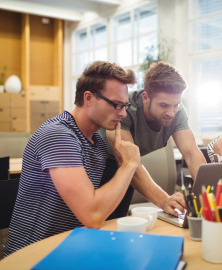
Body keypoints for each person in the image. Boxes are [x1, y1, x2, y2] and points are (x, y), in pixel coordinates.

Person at [4, 61, 140, 256]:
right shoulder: (58, 135)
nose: (123, 113)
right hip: (34, 255)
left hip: (71, 249)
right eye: (116, 104)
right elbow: (92, 215)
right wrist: (129, 164)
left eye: (125, 105)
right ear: (89, 98)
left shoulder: (98, 144)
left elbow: (98, 207)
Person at [98, 61, 206, 219]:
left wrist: (210, 195)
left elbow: (191, 153)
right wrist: (164, 201)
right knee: (104, 225)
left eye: (175, 105)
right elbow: (127, 161)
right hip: (101, 166)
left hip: (128, 169)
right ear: (146, 97)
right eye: (164, 105)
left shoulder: (176, 110)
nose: (171, 112)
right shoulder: (123, 108)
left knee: (120, 222)